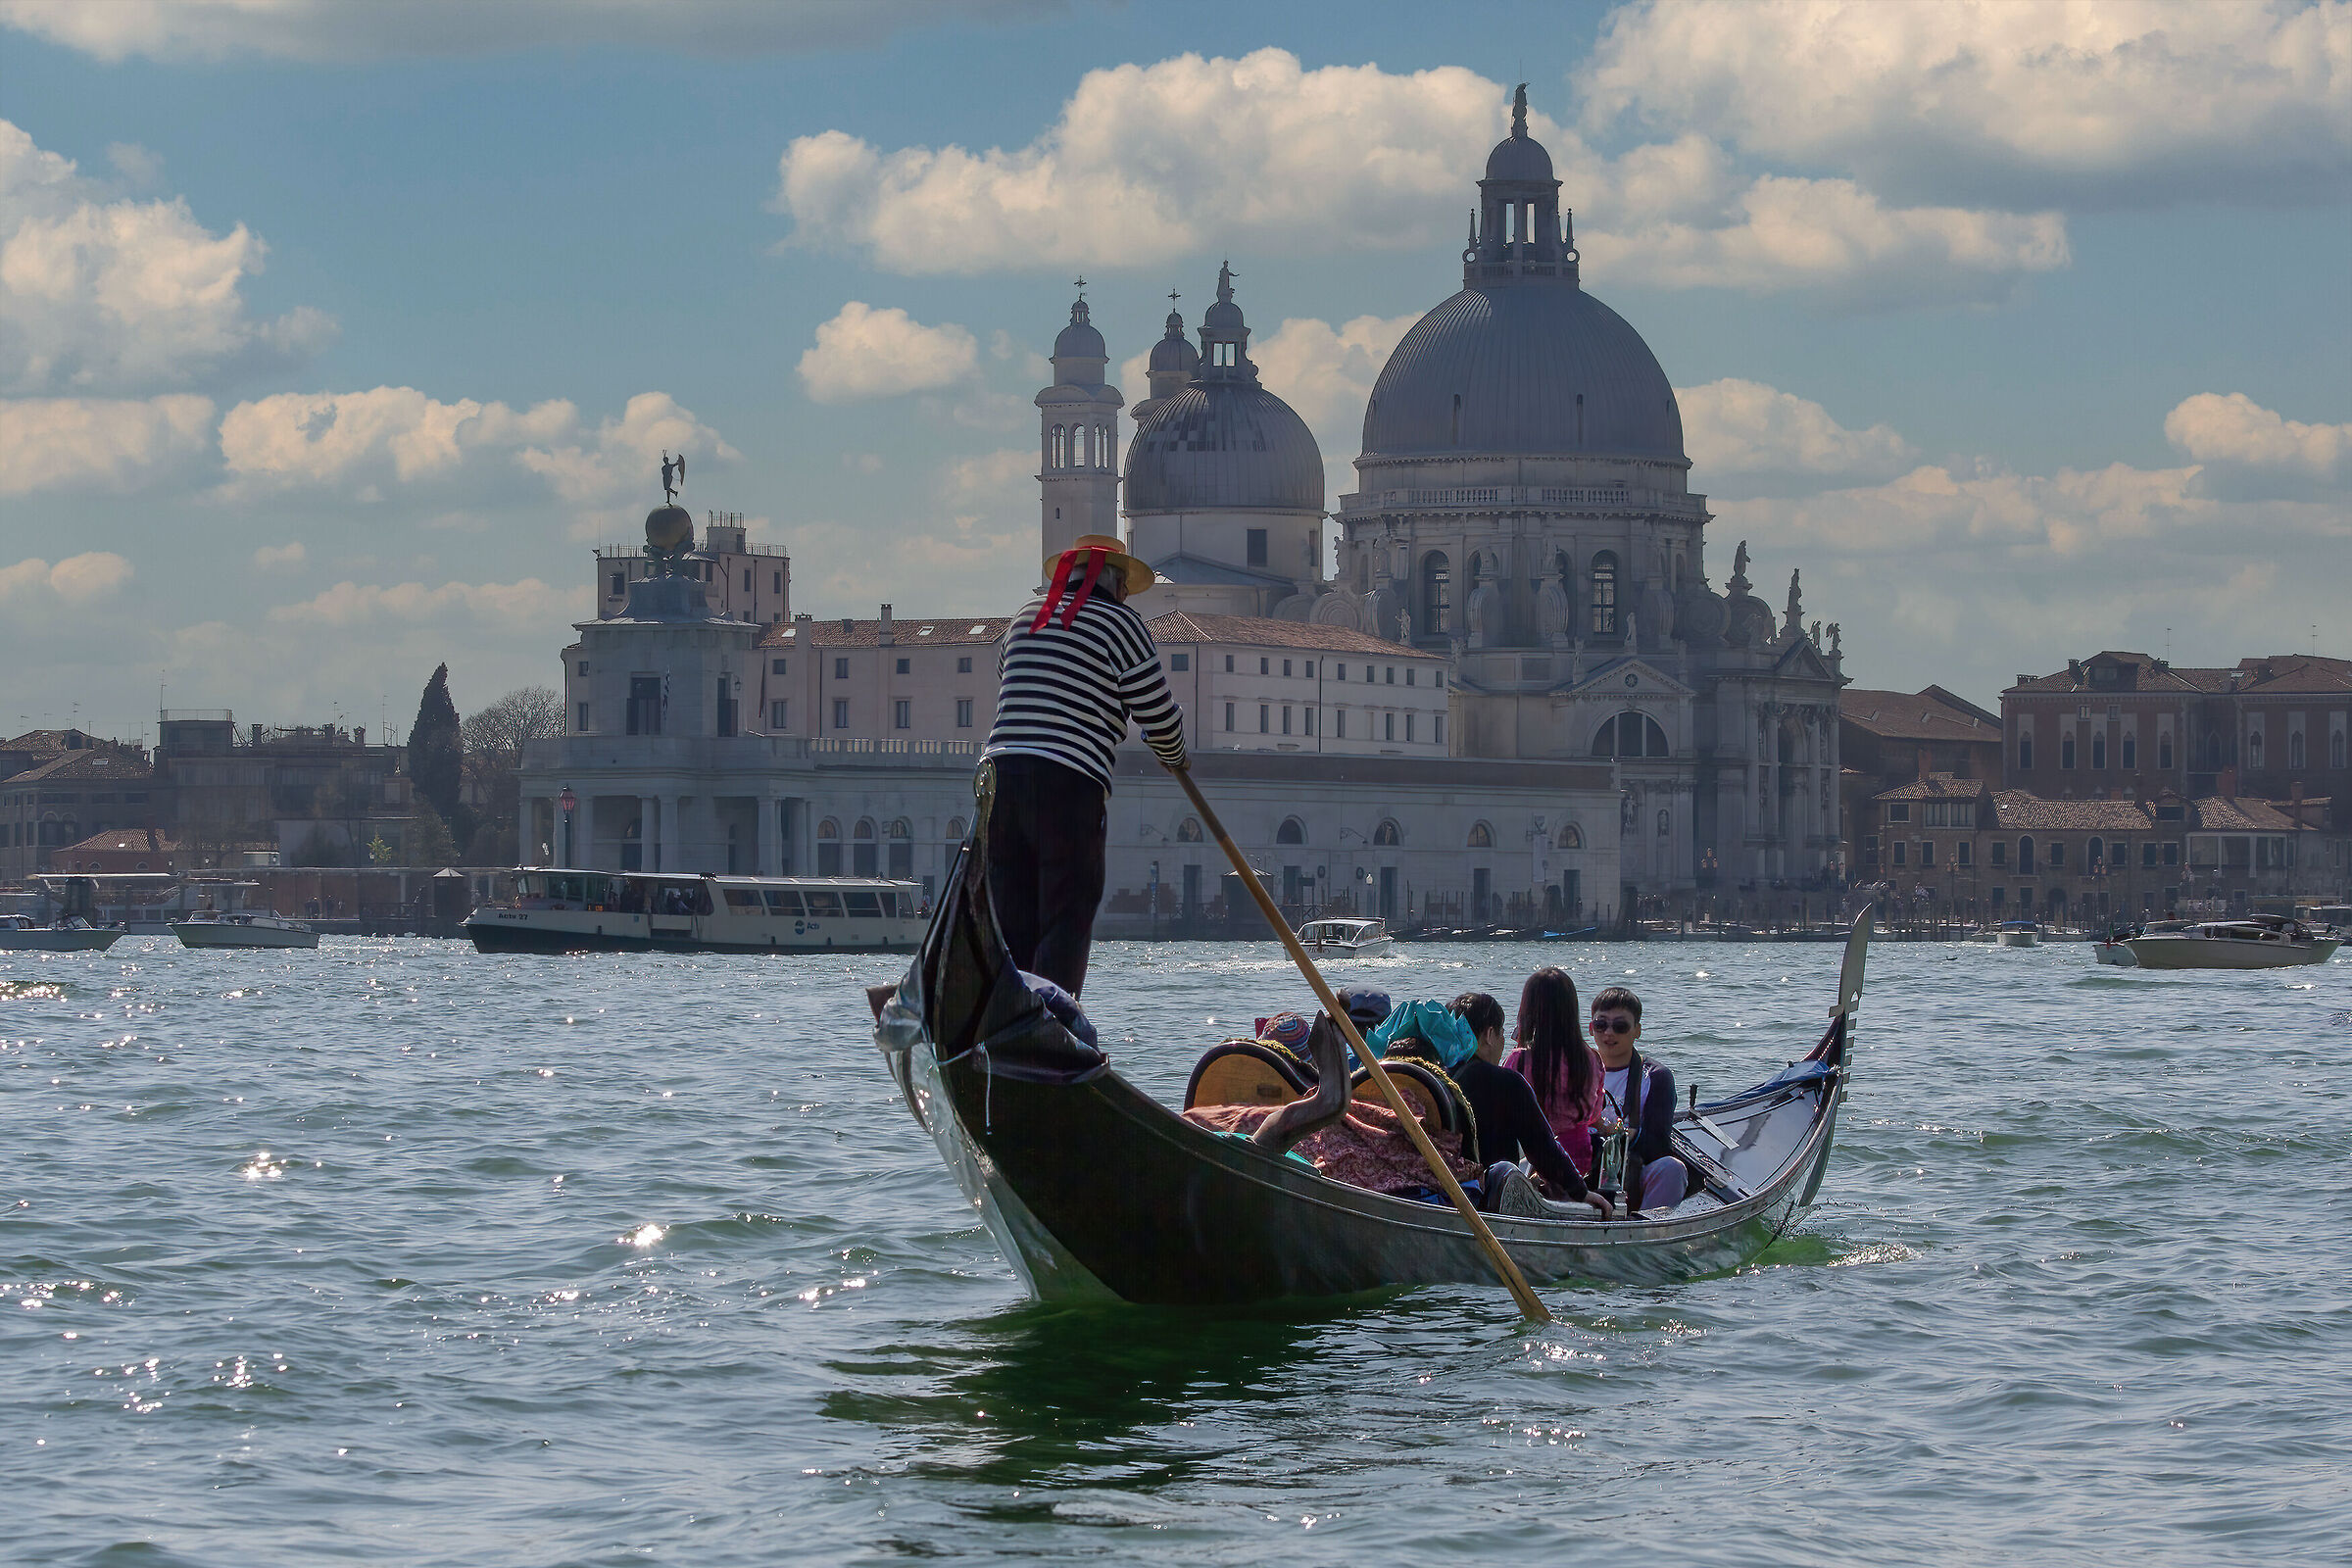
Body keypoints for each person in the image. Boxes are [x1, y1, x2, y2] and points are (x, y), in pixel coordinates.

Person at [982, 533, 1186, 996]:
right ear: (1117, 583)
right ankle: (1052, 1025)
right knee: (1067, 909)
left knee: (1010, 912)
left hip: (999, 782)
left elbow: (1014, 681)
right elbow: (1159, 716)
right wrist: (1176, 757)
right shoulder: (1121, 624)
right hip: (1067, 783)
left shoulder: (1023, 619)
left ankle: (1004, 1017)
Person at [1445, 992, 1612, 1218]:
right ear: (1490, 1035)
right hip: (1488, 1202)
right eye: (1502, 1032)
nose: (1504, 1041)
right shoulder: (1506, 1081)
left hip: (1442, 1192)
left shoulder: (1438, 1074)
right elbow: (1541, 1148)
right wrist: (1581, 1192)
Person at [1588, 986, 1689, 1213]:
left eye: (1620, 1026)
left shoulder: (1655, 1077)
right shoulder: (1573, 1071)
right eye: (1601, 1025)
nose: (1609, 1033)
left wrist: (1620, 1135)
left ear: (1637, 1031)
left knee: (1672, 1169)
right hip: (1580, 1163)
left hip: (1631, 1170)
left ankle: (1641, 1229)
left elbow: (1658, 1144)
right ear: (1591, 1028)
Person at [1500, 967, 1603, 1176]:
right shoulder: (1591, 1058)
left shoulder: (1518, 1060)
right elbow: (1593, 1114)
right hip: (1578, 1161)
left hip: (1533, 1160)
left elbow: (1503, 1114)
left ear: (1528, 1010)